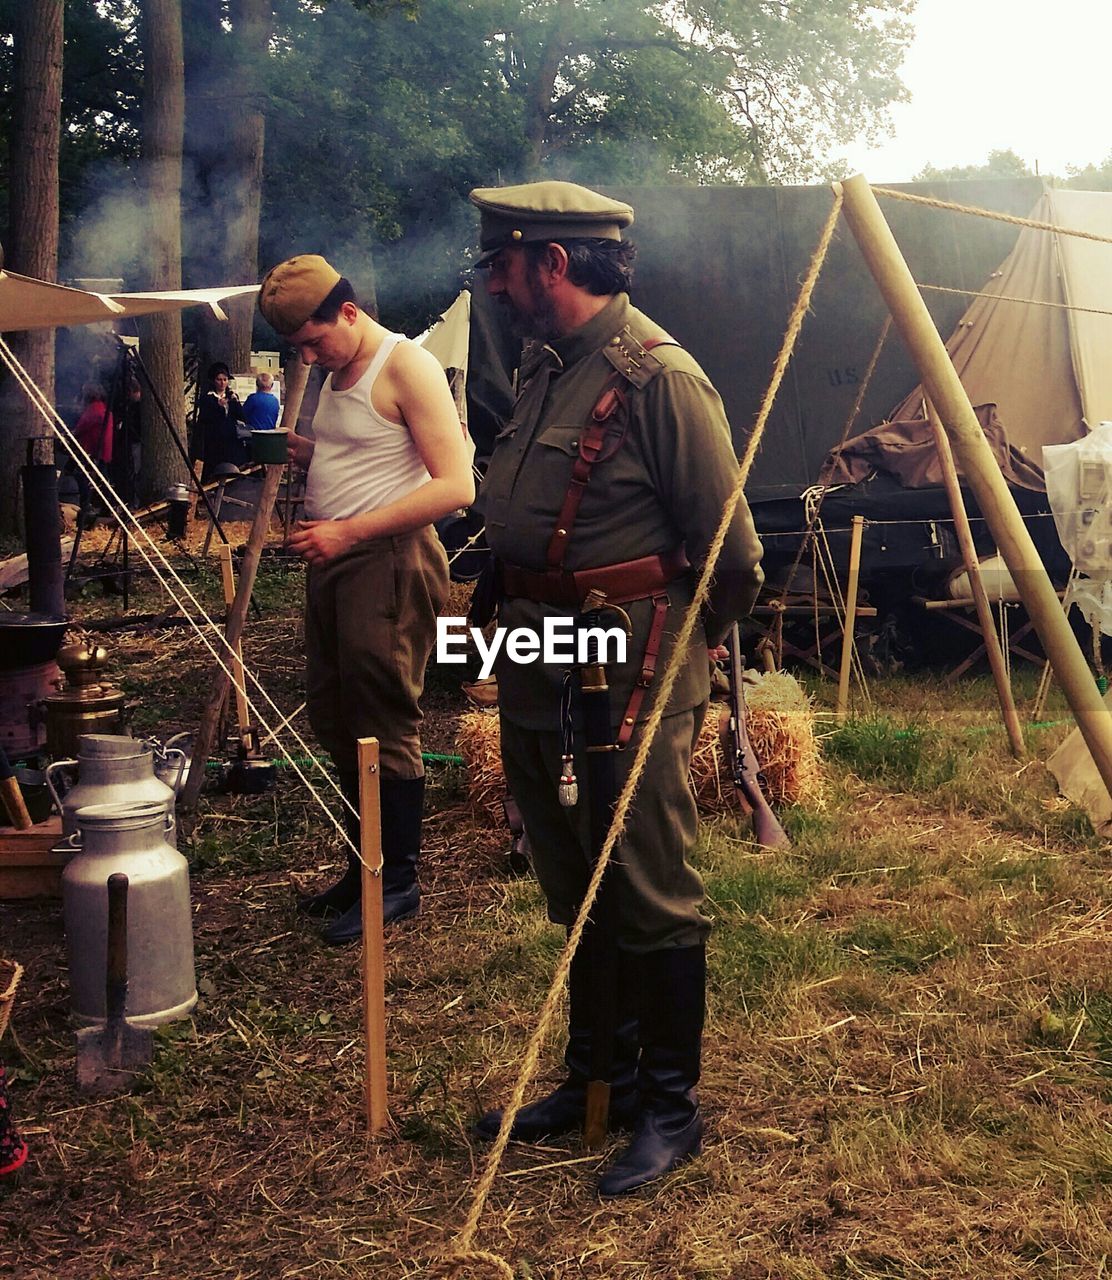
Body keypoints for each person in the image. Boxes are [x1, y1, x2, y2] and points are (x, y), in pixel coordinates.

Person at [468, 181, 764, 1197]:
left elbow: (730, 557)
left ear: (550, 262)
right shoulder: (548, 364)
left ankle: (667, 1103)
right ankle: (594, 1072)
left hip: (631, 648)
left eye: (501, 266)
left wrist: (680, 662)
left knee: (640, 875)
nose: (494, 286)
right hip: (539, 639)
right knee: (567, 861)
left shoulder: (657, 378)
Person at [257, 255, 474, 944]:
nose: (309, 356)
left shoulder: (405, 365)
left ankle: (398, 883)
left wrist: (345, 530)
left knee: (382, 722)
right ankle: (363, 869)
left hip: (388, 560)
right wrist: (304, 451)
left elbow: (456, 488)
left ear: (348, 311)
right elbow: (366, 449)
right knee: (337, 717)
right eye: (299, 349)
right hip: (336, 564)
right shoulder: (334, 371)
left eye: (315, 340)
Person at [195, 361, 246, 480]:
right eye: (219, 379)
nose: (222, 383)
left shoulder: (232, 396)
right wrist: (219, 407)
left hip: (231, 440)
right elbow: (205, 418)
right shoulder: (207, 397)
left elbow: (242, 417)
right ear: (214, 380)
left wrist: (235, 403)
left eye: (225, 379)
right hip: (214, 440)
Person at [71, 381, 114, 512]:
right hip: (102, 451)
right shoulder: (103, 408)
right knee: (102, 479)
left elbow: (80, 429)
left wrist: (71, 434)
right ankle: (106, 506)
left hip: (92, 450)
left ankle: (87, 506)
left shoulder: (93, 410)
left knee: (82, 476)